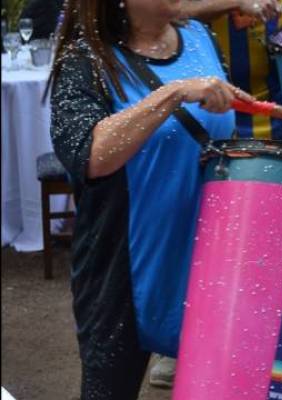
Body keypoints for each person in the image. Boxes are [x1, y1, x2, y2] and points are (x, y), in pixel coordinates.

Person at [49, 0, 254, 398]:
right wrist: (173, 93)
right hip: (122, 267)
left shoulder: (198, 37)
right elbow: (89, 155)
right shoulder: (86, 59)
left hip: (208, 258)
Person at [148, 0, 282, 387]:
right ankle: (177, 344)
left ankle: (257, 349)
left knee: (268, 243)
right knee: (207, 238)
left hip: (281, 113)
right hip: (212, 117)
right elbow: (176, 10)